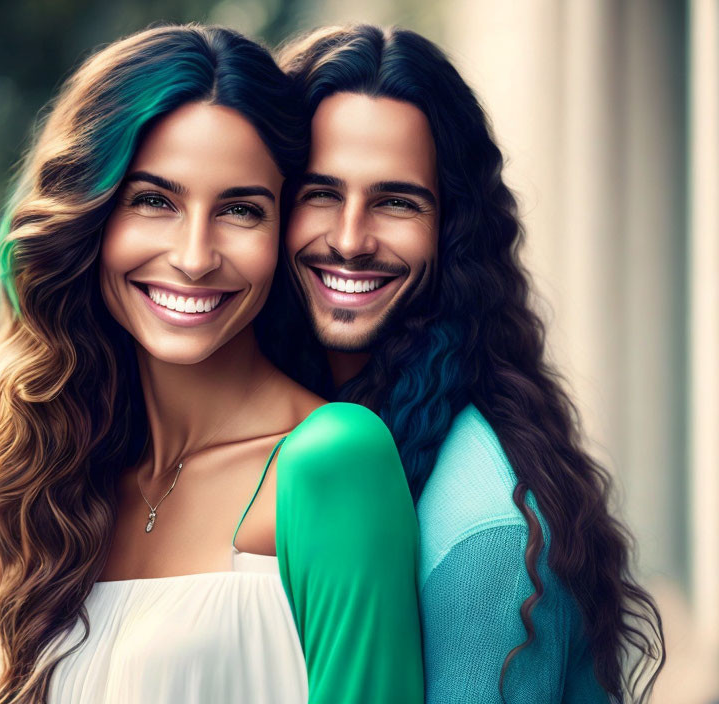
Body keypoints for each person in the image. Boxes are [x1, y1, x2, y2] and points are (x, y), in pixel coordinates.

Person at [0, 24, 424, 704]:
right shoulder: (64, 483)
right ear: (92, 218)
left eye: (241, 209)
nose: (193, 255)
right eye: (154, 200)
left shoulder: (334, 460)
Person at [267, 24, 665, 703]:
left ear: (452, 230)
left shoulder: (482, 532)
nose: (350, 239)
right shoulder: (311, 418)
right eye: (320, 192)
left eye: (396, 201)